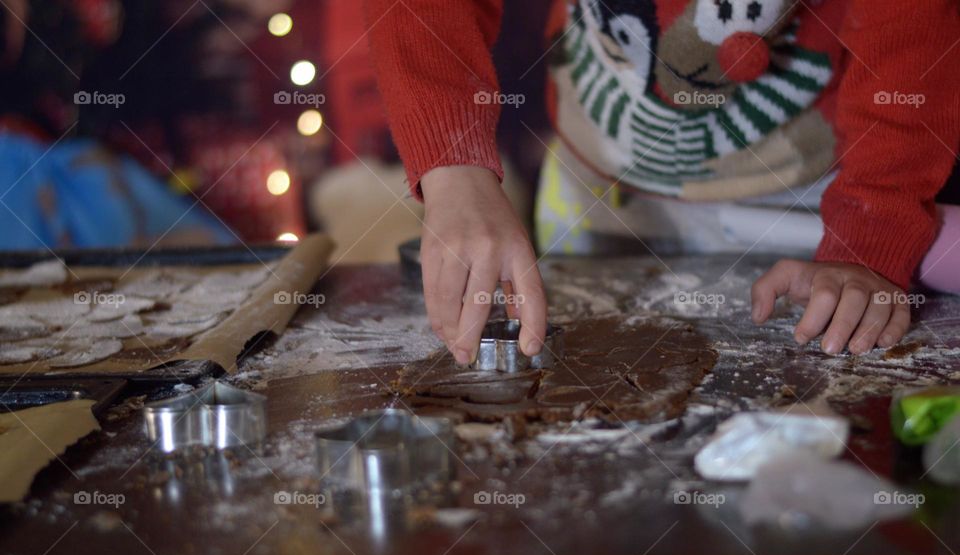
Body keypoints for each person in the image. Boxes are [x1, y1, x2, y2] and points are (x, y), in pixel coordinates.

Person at [364, 0, 960, 364]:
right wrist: (454, 167)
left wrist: (870, 234)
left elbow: (911, 39)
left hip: (812, 196)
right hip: (599, 183)